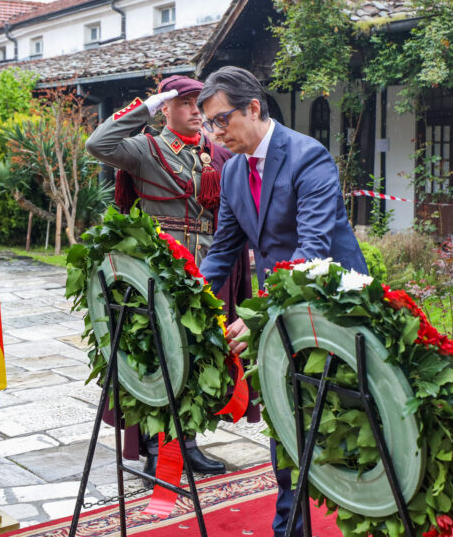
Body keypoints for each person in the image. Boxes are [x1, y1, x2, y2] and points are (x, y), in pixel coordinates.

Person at [196, 65, 367, 537]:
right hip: (281, 312)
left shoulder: (307, 157)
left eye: (221, 119)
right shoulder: (231, 172)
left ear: (253, 107)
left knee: (351, 424)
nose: (215, 132)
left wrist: (259, 316)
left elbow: (311, 249)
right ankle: (289, 527)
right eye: (209, 123)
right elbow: (224, 250)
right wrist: (187, 302)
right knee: (284, 414)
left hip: (335, 307)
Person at [85, 74, 254, 477]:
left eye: (200, 103)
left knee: (197, 356)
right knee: (157, 356)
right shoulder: (146, 149)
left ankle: (188, 440)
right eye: (185, 103)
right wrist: (146, 104)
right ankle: (155, 444)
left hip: (209, 269)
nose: (196, 111)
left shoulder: (219, 153)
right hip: (157, 272)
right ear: (165, 109)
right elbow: (97, 144)